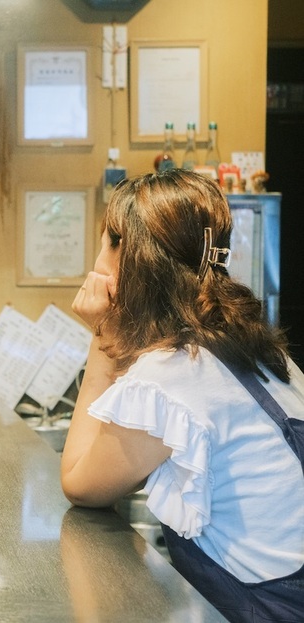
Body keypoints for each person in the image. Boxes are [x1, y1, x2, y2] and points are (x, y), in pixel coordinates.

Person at [61, 169, 304, 622]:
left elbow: (80, 483)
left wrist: (104, 335)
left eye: (108, 242)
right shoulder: (264, 353)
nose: (96, 263)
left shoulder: (171, 374)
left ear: (136, 260)